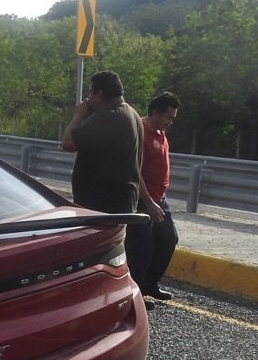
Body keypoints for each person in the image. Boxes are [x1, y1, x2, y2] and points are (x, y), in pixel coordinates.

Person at [61, 70, 163, 287]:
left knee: (98, 258)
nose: (89, 99)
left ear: (99, 94)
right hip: (120, 200)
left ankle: (106, 295)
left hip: (101, 204)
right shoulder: (132, 114)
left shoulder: (109, 117)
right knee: (114, 254)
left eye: (91, 94)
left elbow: (68, 143)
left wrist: (79, 114)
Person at [134, 92, 181, 301]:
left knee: (168, 240)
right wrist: (148, 202)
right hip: (144, 201)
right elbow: (135, 171)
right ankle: (135, 293)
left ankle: (150, 284)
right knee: (142, 249)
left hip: (160, 198)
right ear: (154, 112)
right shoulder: (141, 132)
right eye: (167, 117)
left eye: (172, 118)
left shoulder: (161, 132)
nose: (169, 122)